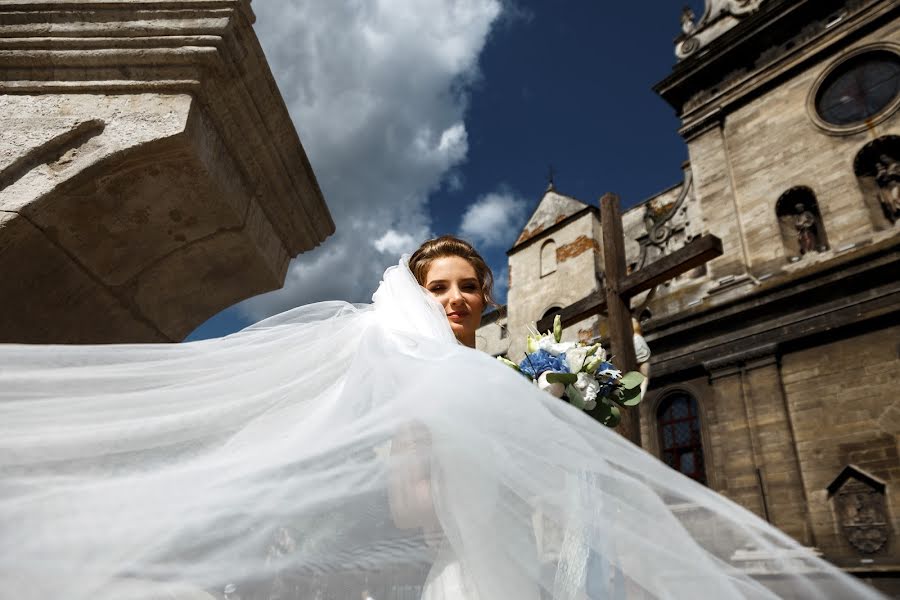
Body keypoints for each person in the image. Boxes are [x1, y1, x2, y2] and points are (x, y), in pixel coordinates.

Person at [0, 236, 886, 600]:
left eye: (470, 287)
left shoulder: (498, 375)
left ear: (489, 298)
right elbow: (412, 504)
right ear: (418, 297)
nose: (458, 299)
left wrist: (551, 424)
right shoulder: (404, 372)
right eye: (442, 288)